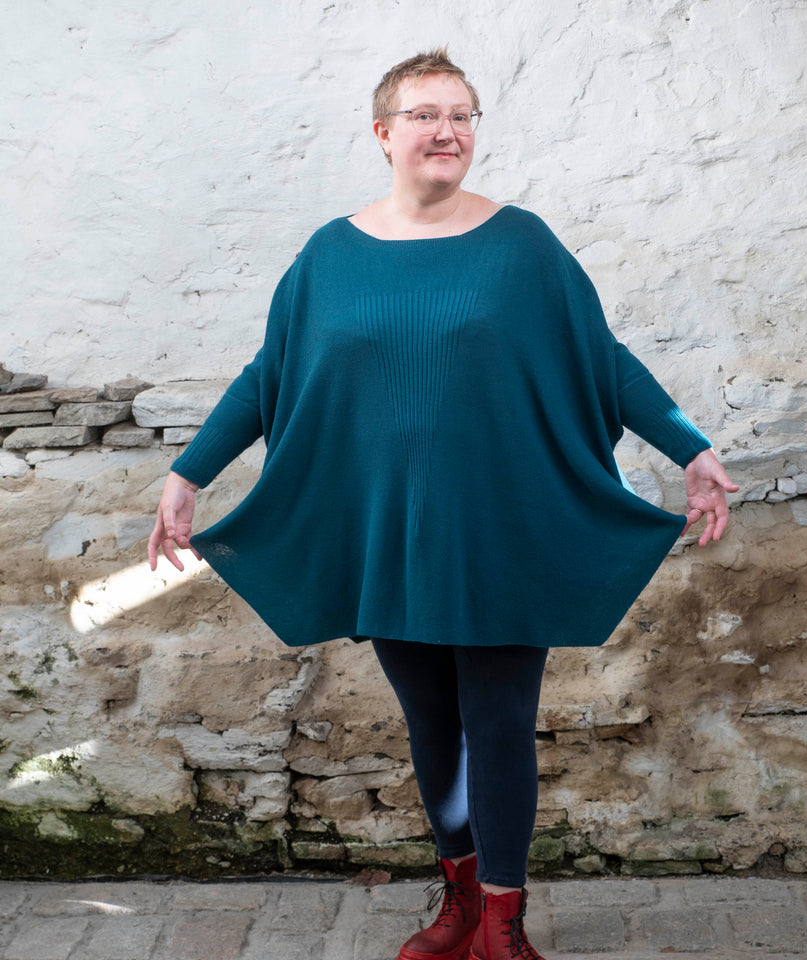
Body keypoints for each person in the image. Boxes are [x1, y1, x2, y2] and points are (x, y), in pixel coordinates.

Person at [148, 48, 737, 960]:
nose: (447, 131)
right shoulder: (330, 256)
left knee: (497, 724)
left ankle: (504, 922)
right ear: (383, 134)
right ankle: (459, 901)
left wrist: (690, 448)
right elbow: (271, 376)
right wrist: (188, 474)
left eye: (462, 115)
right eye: (425, 114)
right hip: (388, 532)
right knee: (432, 726)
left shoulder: (521, 245)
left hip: (497, 528)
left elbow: (601, 358)